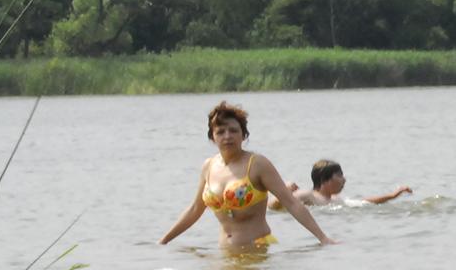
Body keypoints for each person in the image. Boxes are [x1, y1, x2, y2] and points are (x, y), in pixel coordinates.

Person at [161, 101, 335, 250]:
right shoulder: (208, 166)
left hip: (256, 250)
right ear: (212, 137)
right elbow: (194, 210)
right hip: (225, 253)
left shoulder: (258, 164)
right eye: (220, 132)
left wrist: (323, 238)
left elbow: (291, 203)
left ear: (243, 135)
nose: (227, 136)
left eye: (233, 130)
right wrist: (164, 241)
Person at [272, 159, 413, 208]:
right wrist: (284, 191)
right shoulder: (308, 195)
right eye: (339, 176)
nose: (344, 179)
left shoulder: (335, 199)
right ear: (324, 179)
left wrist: (393, 195)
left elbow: (363, 202)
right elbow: (271, 207)